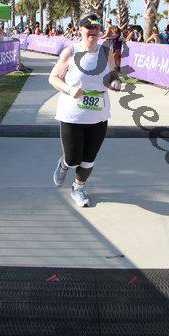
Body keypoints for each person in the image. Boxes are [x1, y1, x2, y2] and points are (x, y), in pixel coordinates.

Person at [48, 12, 122, 207]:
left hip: (98, 116)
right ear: (80, 29)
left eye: (96, 27)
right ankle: (64, 164)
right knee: (73, 159)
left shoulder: (106, 52)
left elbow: (113, 74)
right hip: (72, 116)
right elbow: (53, 78)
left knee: (88, 159)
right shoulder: (71, 52)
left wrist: (115, 82)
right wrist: (69, 89)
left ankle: (78, 188)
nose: (93, 31)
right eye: (89, 27)